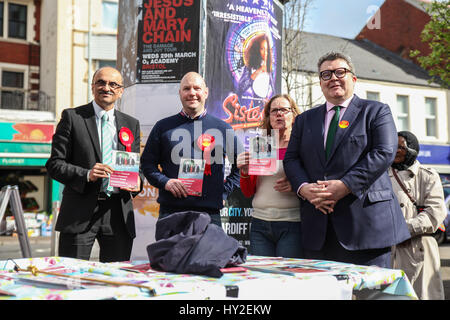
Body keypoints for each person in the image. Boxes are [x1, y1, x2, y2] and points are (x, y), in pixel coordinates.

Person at [283, 51, 410, 268]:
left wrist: (345, 185)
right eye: (326, 74)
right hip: (319, 227)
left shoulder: (376, 111)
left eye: (340, 72)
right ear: (320, 83)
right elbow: (291, 159)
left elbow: (384, 152)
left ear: (353, 78)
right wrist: (304, 188)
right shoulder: (304, 120)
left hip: (366, 228)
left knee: (372, 293)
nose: (333, 78)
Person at [46, 67, 143, 262]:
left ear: (121, 91)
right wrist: (87, 174)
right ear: (92, 87)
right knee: (71, 278)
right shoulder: (72, 117)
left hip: (118, 214)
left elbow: (135, 166)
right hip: (79, 213)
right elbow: (54, 164)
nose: (106, 88)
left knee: (116, 281)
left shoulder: (131, 123)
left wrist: (138, 182)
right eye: (101, 82)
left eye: (113, 84)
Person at [141, 72, 242, 226]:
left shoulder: (223, 128)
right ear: (180, 93)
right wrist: (165, 182)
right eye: (186, 88)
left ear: (206, 92)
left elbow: (241, 167)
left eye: (197, 88)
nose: (192, 93)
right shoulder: (163, 127)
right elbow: (147, 164)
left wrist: (224, 191)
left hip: (209, 215)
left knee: (208, 252)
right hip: (171, 213)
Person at [237, 94, 302, 258]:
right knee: (262, 277)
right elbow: (247, 192)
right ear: (268, 117)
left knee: (285, 278)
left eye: (284, 110)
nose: (279, 114)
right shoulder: (260, 145)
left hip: (291, 223)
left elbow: (313, 180)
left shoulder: (302, 145)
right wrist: (244, 172)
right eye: (274, 111)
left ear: (293, 115)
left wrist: (296, 187)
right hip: (259, 224)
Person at [389, 131, 446, 300]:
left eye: (401, 147)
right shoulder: (381, 176)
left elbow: (435, 213)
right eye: (394, 146)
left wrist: (403, 230)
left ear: (412, 149)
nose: (396, 150)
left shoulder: (428, 176)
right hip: (389, 250)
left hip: (419, 248)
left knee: (423, 294)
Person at [237, 33, 275, 102]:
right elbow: (241, 87)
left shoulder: (272, 69)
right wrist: (259, 70)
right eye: (262, 49)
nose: (265, 52)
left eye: (267, 49)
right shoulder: (250, 66)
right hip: (250, 105)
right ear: (257, 49)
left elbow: (274, 90)